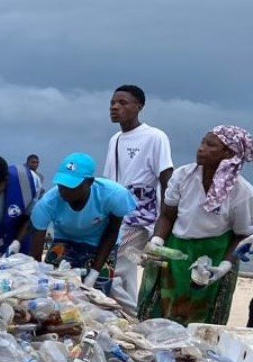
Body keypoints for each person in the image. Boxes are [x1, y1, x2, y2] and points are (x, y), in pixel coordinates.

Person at [138, 127, 253, 325]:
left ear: (229, 154)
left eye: (211, 145)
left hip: (215, 254)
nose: (201, 149)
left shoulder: (241, 192)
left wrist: (225, 266)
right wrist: (157, 241)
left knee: (202, 316)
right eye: (203, 142)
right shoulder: (183, 176)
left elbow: (242, 235)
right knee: (161, 311)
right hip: (177, 249)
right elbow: (167, 215)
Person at [103, 85, 173, 314]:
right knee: (125, 275)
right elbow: (109, 181)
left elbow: (166, 179)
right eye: (113, 102)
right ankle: (128, 317)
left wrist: (162, 226)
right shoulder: (115, 139)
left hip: (139, 218)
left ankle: (134, 316)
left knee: (113, 271)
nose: (115, 107)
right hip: (116, 216)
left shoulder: (155, 137)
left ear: (139, 107)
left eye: (123, 103)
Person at [28, 152, 137, 294]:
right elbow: (36, 252)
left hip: (101, 242)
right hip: (65, 239)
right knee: (54, 286)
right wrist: (39, 277)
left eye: (71, 186)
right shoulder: (48, 203)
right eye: (61, 184)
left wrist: (94, 273)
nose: (64, 191)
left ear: (90, 182)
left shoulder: (113, 195)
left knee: (96, 294)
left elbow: (112, 231)